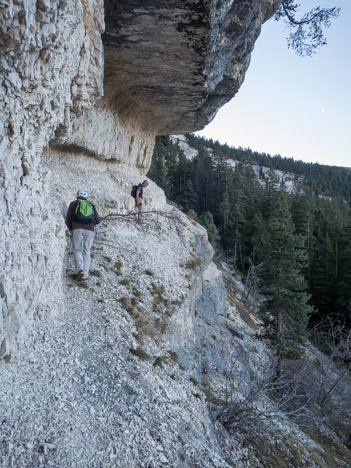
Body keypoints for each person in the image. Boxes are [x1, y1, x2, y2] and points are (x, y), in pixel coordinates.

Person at [65, 189, 100, 281]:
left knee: (77, 250)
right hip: (90, 230)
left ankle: (80, 269)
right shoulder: (91, 205)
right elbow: (98, 220)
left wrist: (71, 228)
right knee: (86, 251)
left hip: (77, 229)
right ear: (86, 197)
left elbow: (67, 219)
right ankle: (85, 275)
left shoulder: (73, 204)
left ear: (77, 196)